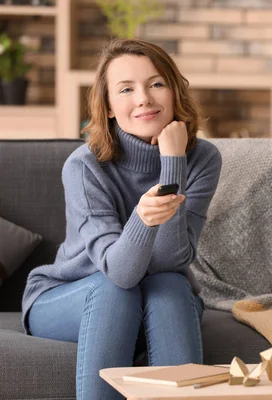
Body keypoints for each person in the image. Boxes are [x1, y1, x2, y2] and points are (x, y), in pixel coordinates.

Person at [21, 39, 222, 400]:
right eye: (126, 89)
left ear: (174, 91)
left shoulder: (203, 158)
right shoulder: (84, 167)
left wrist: (172, 162)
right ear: (110, 107)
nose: (144, 98)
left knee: (172, 287)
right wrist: (142, 221)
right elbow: (122, 272)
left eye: (156, 83)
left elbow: (171, 262)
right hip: (68, 297)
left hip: (158, 294)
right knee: (115, 290)